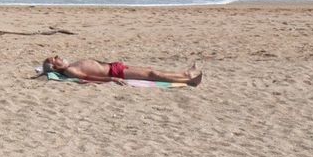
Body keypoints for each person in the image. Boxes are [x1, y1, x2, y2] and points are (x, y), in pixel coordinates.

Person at [42, 54, 202, 86]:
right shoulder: (70, 71)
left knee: (150, 70)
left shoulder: (70, 66)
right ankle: (189, 79)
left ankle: (185, 74)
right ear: (55, 66)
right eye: (55, 58)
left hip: (114, 67)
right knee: (152, 75)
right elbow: (88, 77)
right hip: (114, 73)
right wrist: (111, 79)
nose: (58, 56)